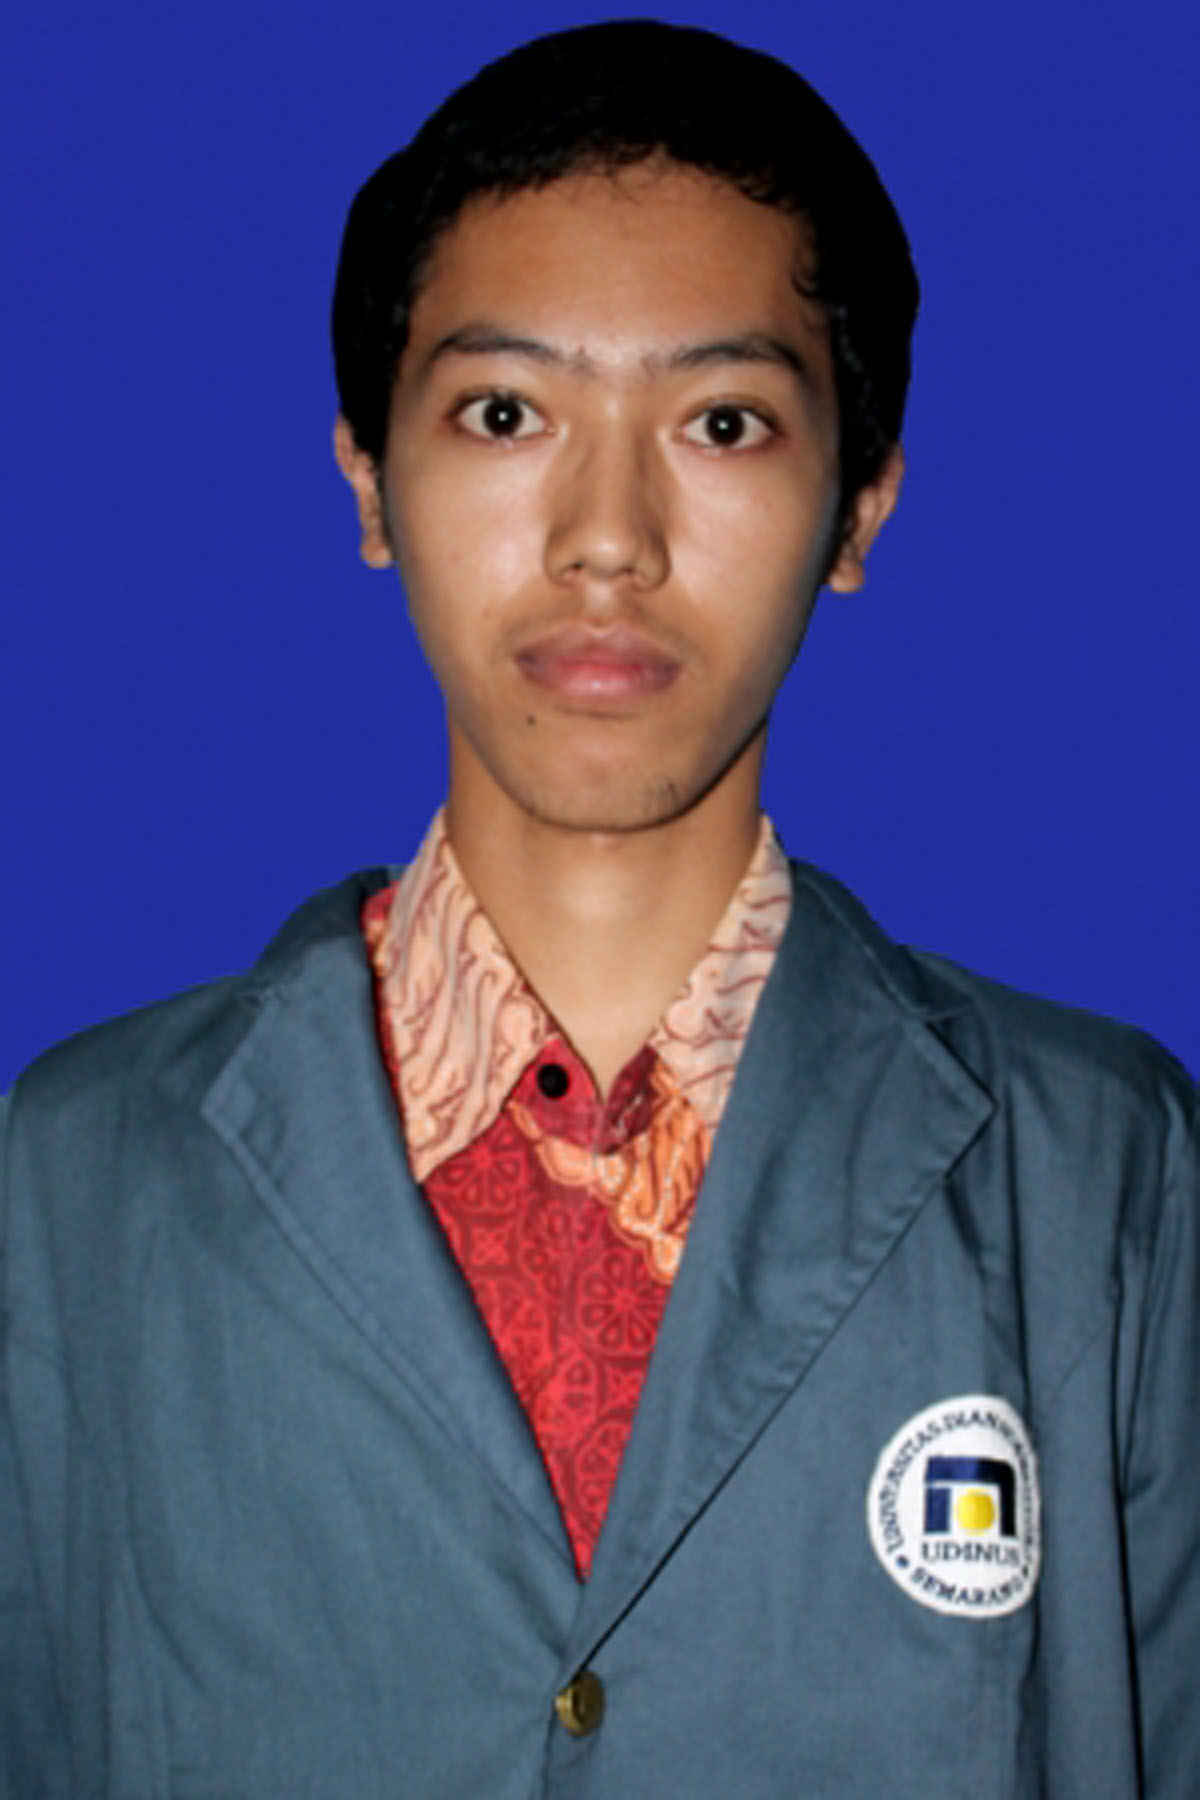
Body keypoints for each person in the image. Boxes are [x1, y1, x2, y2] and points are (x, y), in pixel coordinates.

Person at [2, 18, 1196, 1796]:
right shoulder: (73, 1177)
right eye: (506, 412)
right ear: (369, 479)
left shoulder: (1102, 1172)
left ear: (857, 507)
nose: (608, 536)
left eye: (722, 421)